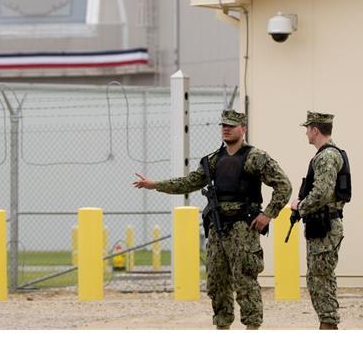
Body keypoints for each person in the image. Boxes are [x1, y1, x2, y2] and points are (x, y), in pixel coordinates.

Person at [133, 109, 291, 329]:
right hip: (217, 229)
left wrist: (268, 214)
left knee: (245, 280)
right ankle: (222, 325)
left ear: (243, 129)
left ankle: (253, 327)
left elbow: (284, 185)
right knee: (216, 282)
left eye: (231, 125)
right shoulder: (213, 160)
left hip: (243, 228)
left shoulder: (256, 157)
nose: (226, 129)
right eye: (223, 125)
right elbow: (189, 182)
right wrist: (156, 184)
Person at [289, 111, 351, 330]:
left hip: (325, 226)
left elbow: (322, 192)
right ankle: (327, 322)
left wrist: (300, 206)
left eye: (308, 128)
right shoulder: (328, 155)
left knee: (320, 278)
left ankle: (328, 324)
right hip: (322, 226)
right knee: (320, 276)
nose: (306, 133)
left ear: (315, 130)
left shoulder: (326, 156)